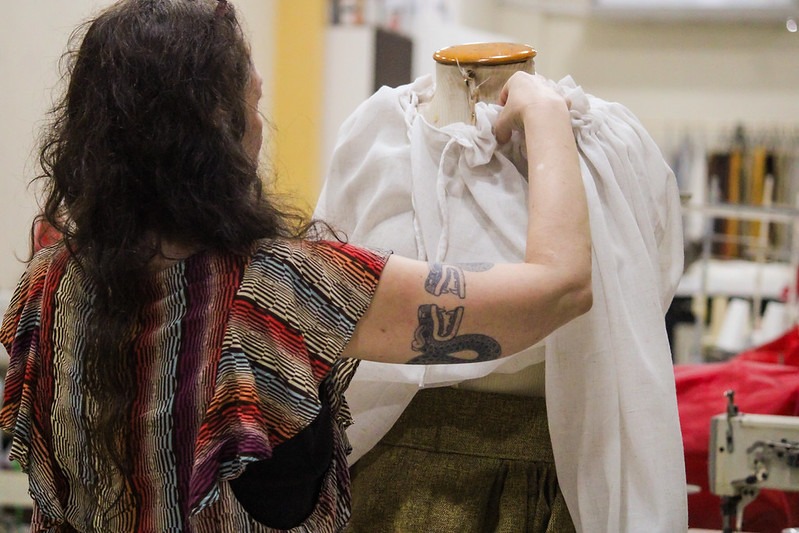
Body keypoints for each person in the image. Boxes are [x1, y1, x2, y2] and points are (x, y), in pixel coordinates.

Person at [0, 1, 590, 531]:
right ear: (216, 127)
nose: (262, 124)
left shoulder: (45, 287)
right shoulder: (278, 291)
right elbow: (560, 288)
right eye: (254, 102)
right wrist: (543, 114)